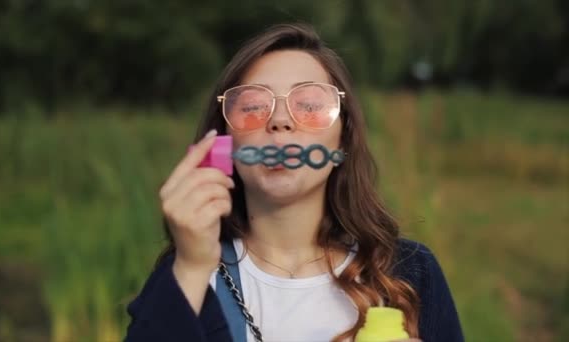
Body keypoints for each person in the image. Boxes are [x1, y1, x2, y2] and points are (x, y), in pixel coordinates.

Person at [125, 23, 464, 342]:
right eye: (254, 105)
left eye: (309, 105)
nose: (280, 121)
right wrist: (192, 265)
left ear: (342, 140)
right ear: (225, 143)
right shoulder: (193, 271)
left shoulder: (410, 272)